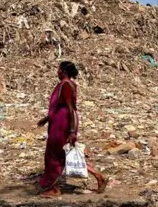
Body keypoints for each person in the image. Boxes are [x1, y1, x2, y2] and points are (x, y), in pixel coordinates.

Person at [37, 61, 108, 197]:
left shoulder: (65, 86)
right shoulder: (66, 85)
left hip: (63, 123)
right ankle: (98, 176)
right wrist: (47, 118)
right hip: (59, 121)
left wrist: (71, 131)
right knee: (64, 154)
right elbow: (61, 106)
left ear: (63, 71)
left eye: (58, 69)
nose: (57, 72)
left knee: (53, 155)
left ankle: (55, 189)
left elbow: (70, 109)